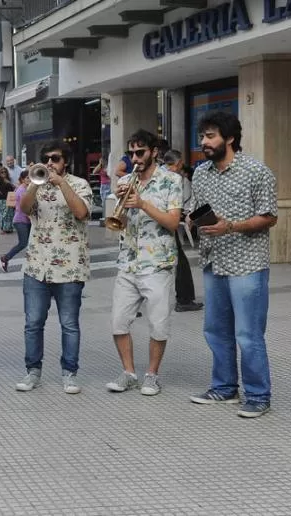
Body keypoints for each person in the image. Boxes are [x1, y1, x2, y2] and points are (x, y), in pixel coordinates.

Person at [188, 111, 278, 418]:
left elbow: (269, 217)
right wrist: (192, 219)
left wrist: (231, 226)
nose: (204, 142)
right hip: (214, 261)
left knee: (248, 333)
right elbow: (195, 208)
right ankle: (224, 388)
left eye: (211, 136)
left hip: (248, 263)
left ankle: (257, 395)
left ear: (229, 138)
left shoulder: (256, 171)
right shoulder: (200, 173)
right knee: (215, 330)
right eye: (202, 136)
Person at [103, 130, 183, 396]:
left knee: (158, 324)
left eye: (140, 153)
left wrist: (144, 204)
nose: (135, 158)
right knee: (118, 322)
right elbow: (118, 224)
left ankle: (152, 375)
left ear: (154, 152)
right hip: (128, 262)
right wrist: (123, 208)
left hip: (157, 262)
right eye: (132, 153)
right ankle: (128, 372)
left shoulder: (171, 180)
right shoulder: (126, 180)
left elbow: (173, 222)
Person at [15, 140, 93, 394]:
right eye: (46, 158)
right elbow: (24, 210)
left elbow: (81, 212)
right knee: (33, 322)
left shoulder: (79, 184)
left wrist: (61, 183)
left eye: (56, 158)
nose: (50, 163)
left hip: (70, 267)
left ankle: (69, 373)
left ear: (65, 162)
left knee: (69, 323)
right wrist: (33, 185)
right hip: (37, 265)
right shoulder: (35, 184)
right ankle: (32, 372)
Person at [162, 149, 203, 312]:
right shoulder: (174, 178)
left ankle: (184, 298)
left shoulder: (157, 175)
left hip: (161, 224)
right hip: (168, 224)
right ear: (178, 163)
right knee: (180, 264)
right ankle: (184, 299)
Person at [0, 170, 31, 271]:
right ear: (22, 179)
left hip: (26, 221)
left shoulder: (28, 189)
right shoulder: (22, 190)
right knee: (23, 243)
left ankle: (32, 263)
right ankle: (5, 258)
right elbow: (24, 208)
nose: (29, 180)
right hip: (20, 221)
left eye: (30, 178)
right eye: (27, 178)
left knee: (31, 243)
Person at [0, 166, 16, 233]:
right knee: (3, 214)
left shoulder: (9, 180)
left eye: (5, 172)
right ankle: (4, 228)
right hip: (1, 199)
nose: (3, 173)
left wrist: (8, 182)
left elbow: (14, 188)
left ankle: (9, 228)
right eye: (2, 172)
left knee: (9, 214)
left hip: (10, 198)